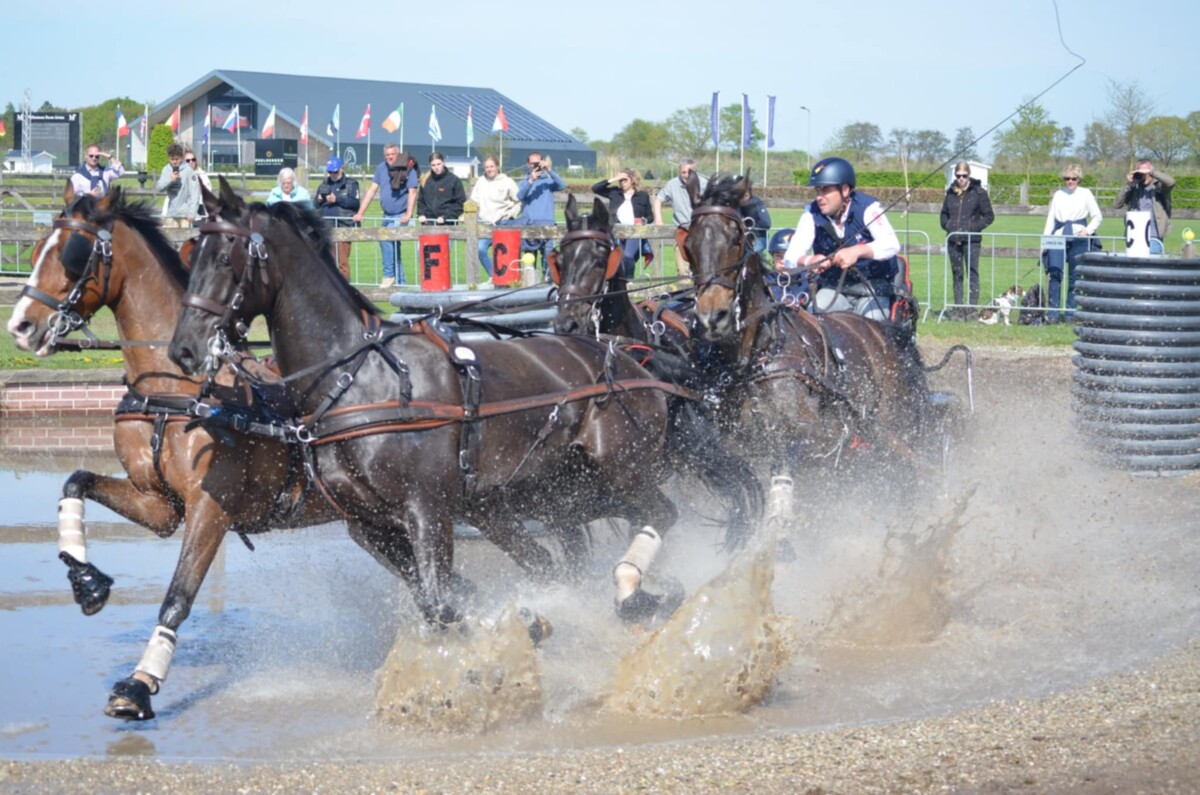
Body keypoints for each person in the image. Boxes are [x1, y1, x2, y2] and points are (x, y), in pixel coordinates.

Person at [782, 157, 900, 322]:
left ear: (844, 190)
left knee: (874, 322)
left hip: (873, 288)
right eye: (817, 191)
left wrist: (858, 251)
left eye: (825, 190)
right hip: (833, 289)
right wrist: (810, 260)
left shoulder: (868, 208)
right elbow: (790, 257)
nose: (819, 197)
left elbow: (892, 244)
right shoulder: (811, 213)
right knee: (813, 317)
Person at [1042, 164, 1102, 322]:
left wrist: (1087, 230)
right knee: (1054, 274)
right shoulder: (1058, 195)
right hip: (1058, 236)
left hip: (1079, 238)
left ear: (1078, 179)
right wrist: (1045, 241)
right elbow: (1051, 219)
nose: (1070, 181)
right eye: (1067, 178)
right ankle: (1053, 314)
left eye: (1074, 178)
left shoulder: (1086, 193)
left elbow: (1097, 216)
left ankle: (1070, 313)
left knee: (1075, 277)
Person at [354, 144, 419, 288]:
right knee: (393, 249)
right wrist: (360, 212)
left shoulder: (408, 168)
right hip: (386, 215)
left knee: (385, 239)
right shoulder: (381, 168)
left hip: (400, 214)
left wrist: (408, 213)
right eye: (387, 155)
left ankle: (388, 275)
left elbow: (413, 191)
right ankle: (401, 284)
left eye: (392, 154)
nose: (390, 157)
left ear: (398, 154)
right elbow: (372, 190)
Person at [939, 162, 995, 320]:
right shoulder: (950, 193)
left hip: (972, 241)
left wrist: (973, 227)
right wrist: (948, 225)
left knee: (972, 273)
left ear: (969, 175)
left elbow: (989, 216)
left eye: (964, 176)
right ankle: (958, 308)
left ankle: (971, 309)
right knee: (957, 274)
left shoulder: (979, 193)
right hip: (953, 240)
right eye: (958, 176)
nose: (961, 179)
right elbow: (943, 214)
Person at [592, 168, 654, 278]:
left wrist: (644, 220)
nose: (622, 183)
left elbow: (650, 216)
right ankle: (619, 283)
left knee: (627, 256)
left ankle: (629, 281)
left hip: (634, 232)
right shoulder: (615, 193)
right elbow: (595, 188)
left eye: (625, 180)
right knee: (617, 260)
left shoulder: (643, 196)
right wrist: (614, 178)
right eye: (620, 181)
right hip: (616, 232)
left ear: (633, 180)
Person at [653, 158, 709, 275]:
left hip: (702, 231)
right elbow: (658, 199)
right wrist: (658, 218)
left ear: (695, 171)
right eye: (683, 172)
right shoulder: (673, 184)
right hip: (682, 230)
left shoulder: (704, 184)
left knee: (702, 270)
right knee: (682, 272)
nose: (687, 175)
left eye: (690, 172)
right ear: (679, 172)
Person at [469, 154, 521, 278]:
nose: (489, 169)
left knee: (504, 254)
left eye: (491, 166)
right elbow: (473, 201)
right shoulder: (480, 182)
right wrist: (467, 214)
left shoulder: (507, 181)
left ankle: (510, 280)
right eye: (487, 167)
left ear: (497, 166)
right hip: (487, 224)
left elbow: (519, 200)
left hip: (504, 223)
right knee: (480, 249)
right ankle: (494, 276)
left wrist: (511, 213)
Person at [516, 151, 565, 273]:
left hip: (547, 225)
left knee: (548, 261)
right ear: (528, 165)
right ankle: (530, 282)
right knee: (529, 262)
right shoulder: (525, 181)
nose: (535, 166)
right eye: (532, 164)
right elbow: (520, 196)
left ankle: (547, 282)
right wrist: (531, 181)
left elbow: (562, 185)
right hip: (530, 225)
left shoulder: (548, 181)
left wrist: (549, 169)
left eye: (537, 163)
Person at [314, 155, 360, 279]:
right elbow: (315, 205)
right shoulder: (324, 184)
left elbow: (355, 203)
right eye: (330, 172)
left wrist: (337, 199)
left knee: (342, 264)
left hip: (342, 227)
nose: (332, 174)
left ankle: (344, 288)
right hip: (326, 229)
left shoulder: (351, 184)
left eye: (335, 171)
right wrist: (319, 200)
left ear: (342, 168)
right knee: (327, 264)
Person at [1113, 158, 1174, 246]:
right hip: (1134, 234)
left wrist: (1152, 172)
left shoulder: (1158, 185)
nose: (1143, 174)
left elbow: (1171, 182)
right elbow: (1117, 204)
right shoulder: (1134, 186)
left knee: (1153, 255)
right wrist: (1128, 185)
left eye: (1144, 171)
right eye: (1140, 171)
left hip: (1153, 234)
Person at [155, 142, 200, 229]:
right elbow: (159, 188)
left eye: (177, 159)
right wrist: (170, 180)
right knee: (170, 236)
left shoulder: (188, 170)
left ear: (182, 157)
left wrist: (192, 213)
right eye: (172, 159)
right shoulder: (166, 170)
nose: (174, 162)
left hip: (185, 215)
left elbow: (195, 193)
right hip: (171, 214)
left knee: (185, 237)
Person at [417, 151, 466, 226]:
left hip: (448, 223)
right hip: (428, 223)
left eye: (438, 164)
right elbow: (421, 200)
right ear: (430, 165)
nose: (436, 167)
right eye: (433, 165)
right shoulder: (425, 180)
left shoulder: (454, 180)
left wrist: (446, 216)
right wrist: (421, 214)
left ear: (443, 162)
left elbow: (460, 202)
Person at [738, 184, 772, 255]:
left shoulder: (757, 204)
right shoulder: (735, 205)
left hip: (759, 237)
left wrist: (749, 227)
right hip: (742, 238)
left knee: (748, 255)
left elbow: (767, 224)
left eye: (747, 191)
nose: (746, 193)